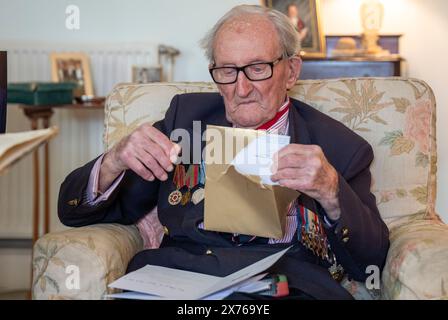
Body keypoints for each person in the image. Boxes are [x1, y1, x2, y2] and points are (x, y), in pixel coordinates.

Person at [58, 5, 389, 300]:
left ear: (291, 71)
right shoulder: (185, 120)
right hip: (184, 278)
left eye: (257, 68)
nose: (241, 89)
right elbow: (75, 212)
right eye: (227, 71)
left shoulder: (340, 147)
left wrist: (332, 191)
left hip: (287, 284)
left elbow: (371, 264)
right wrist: (114, 160)